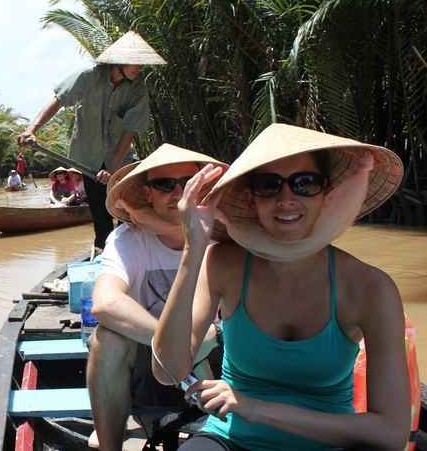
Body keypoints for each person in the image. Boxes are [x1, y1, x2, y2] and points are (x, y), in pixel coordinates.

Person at [152, 123, 410, 450]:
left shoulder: (370, 288)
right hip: (230, 439)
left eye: (305, 183)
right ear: (250, 199)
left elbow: (391, 433)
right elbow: (166, 370)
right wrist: (193, 248)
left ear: (326, 195)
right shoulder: (224, 263)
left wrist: (258, 409)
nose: (287, 198)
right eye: (269, 185)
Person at [87, 144, 228, 450]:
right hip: (154, 371)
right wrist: (186, 346)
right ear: (148, 193)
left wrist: (208, 340)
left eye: (187, 182)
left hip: (220, 368)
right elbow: (105, 303)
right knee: (105, 339)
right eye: (164, 185)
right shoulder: (128, 239)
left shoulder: (225, 235)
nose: (177, 192)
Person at [18, 31, 166, 250]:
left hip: (121, 160)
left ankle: (137, 255)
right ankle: (104, 255)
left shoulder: (137, 90)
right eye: (136, 62)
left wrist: (113, 169)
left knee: (129, 211)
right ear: (119, 61)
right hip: (88, 160)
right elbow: (58, 101)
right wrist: (32, 129)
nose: (140, 68)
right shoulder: (87, 77)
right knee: (100, 214)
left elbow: (129, 131)